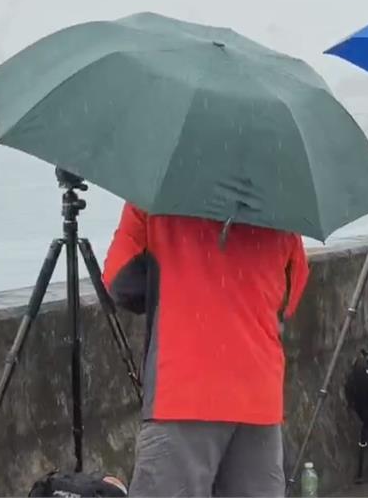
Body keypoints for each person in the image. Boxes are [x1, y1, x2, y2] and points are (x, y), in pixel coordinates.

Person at [103, 204, 309, 496]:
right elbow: (292, 295)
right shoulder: (277, 198)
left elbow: (121, 283)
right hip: (257, 391)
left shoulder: (155, 196)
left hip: (183, 390)